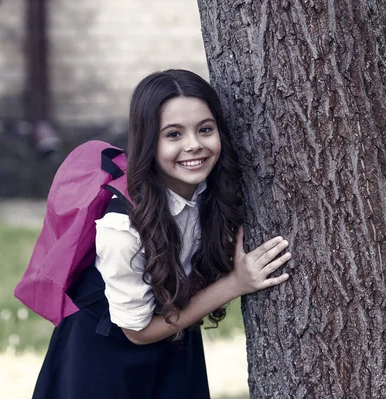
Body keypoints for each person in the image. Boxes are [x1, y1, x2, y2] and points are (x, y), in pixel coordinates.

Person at [31, 69, 292, 399]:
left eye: (205, 130)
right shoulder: (122, 229)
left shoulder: (212, 187)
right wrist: (236, 284)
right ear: (148, 141)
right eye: (173, 135)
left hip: (174, 343)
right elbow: (137, 332)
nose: (194, 145)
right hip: (103, 361)